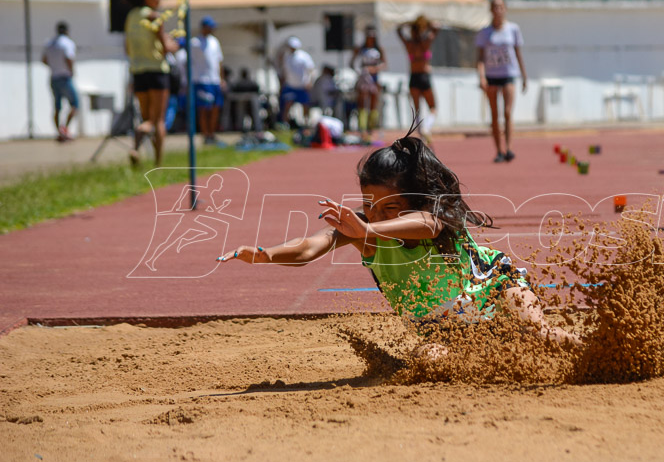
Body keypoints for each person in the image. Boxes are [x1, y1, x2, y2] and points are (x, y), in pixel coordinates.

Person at [217, 131, 578, 347]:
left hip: (494, 285)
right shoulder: (362, 228)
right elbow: (311, 247)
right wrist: (266, 255)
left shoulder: (429, 218)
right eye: (367, 205)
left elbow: (427, 225)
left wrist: (368, 230)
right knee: (433, 360)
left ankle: (600, 354)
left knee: (541, 333)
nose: (374, 214)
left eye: (389, 207)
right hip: (439, 328)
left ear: (412, 199)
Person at [122, 0, 178, 166]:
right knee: (158, 121)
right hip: (157, 71)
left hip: (138, 72)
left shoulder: (131, 17)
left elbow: (127, 47)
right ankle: (158, 163)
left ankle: (137, 146)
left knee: (146, 117)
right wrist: (176, 44)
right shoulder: (155, 17)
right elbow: (165, 48)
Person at [476, 0, 527, 163]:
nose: (498, 10)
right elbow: (480, 58)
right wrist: (482, 76)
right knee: (495, 115)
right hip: (492, 75)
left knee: (507, 112)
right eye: (495, 7)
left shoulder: (513, 29)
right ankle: (498, 150)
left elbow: (518, 53)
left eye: (500, 7)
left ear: (505, 9)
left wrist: (524, 75)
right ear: (491, 10)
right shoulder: (484, 32)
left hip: (509, 74)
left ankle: (509, 148)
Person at [397, 15, 440, 143]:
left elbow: (398, 31)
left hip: (413, 77)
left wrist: (408, 23)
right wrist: (427, 24)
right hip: (424, 76)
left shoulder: (409, 44)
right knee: (433, 107)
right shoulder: (425, 42)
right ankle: (426, 127)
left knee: (417, 110)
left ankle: (421, 135)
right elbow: (437, 28)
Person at [191, 16, 226, 146]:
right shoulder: (194, 42)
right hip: (201, 80)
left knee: (215, 108)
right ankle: (205, 135)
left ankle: (212, 133)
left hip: (214, 80)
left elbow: (219, 61)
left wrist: (221, 78)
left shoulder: (214, 41)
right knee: (204, 108)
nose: (211, 29)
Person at [42, 21, 78, 142]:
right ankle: (65, 130)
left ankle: (59, 132)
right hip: (64, 77)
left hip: (54, 77)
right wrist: (71, 70)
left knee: (57, 107)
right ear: (67, 31)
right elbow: (69, 58)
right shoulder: (67, 43)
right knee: (75, 105)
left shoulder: (50, 43)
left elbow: (44, 60)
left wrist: (54, 66)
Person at [352, 25, 387, 145]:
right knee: (362, 101)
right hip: (363, 78)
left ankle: (372, 128)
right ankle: (362, 128)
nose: (370, 38)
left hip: (374, 78)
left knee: (373, 101)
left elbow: (384, 64)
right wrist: (360, 70)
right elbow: (352, 62)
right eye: (368, 36)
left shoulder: (379, 49)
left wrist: (374, 68)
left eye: (372, 36)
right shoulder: (360, 49)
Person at [277, 36, 315, 128]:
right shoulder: (286, 57)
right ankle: (285, 124)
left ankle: (306, 123)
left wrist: (309, 81)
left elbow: (311, 69)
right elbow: (284, 70)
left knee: (305, 105)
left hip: (302, 85)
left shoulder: (304, 56)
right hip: (290, 85)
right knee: (287, 105)